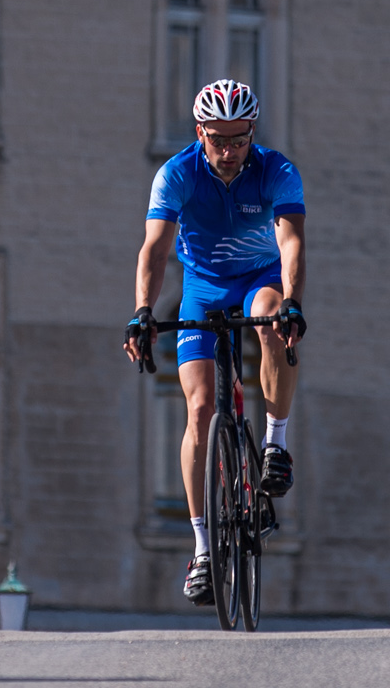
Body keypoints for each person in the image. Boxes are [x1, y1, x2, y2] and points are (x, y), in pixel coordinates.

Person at [125, 78, 306, 605]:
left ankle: (275, 443)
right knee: (201, 409)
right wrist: (141, 312)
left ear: (252, 132)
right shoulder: (176, 174)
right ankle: (204, 548)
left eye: (239, 139)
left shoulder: (277, 171)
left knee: (273, 318)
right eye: (217, 140)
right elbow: (155, 251)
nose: (228, 152)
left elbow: (291, 241)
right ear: (199, 132)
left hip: (259, 279)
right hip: (201, 290)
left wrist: (292, 299)